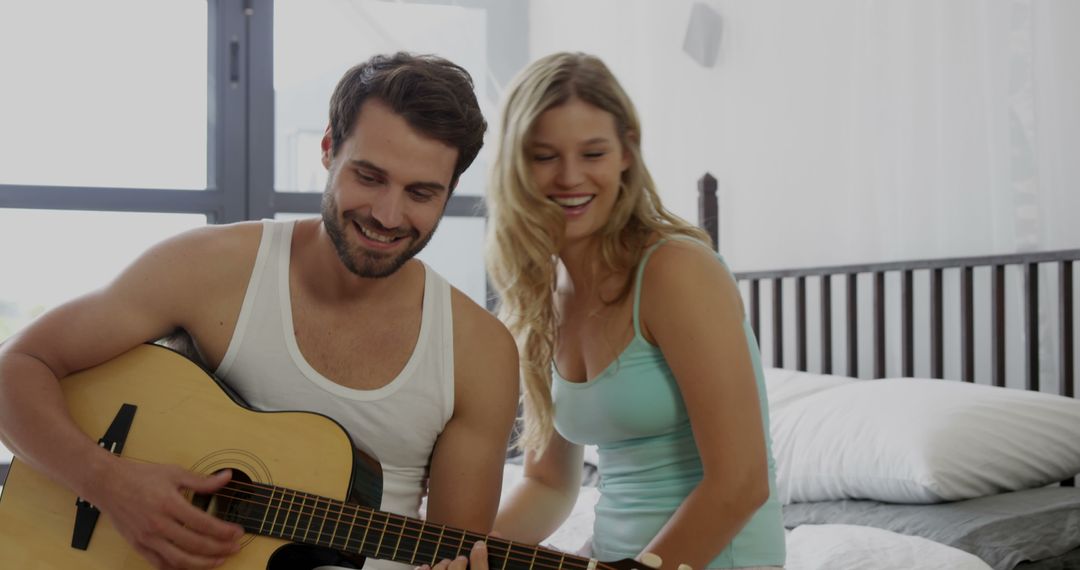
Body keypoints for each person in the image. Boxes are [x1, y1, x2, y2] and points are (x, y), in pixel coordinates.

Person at [0, 52, 517, 570]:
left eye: (421, 193)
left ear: (449, 193)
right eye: (369, 176)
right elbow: (16, 369)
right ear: (327, 149)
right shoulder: (212, 267)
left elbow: (454, 551)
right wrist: (108, 483)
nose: (387, 214)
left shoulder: (479, 353)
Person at [484, 52, 786, 570]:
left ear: (627, 152)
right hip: (614, 558)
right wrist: (462, 554)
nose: (570, 177)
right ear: (516, 164)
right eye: (544, 156)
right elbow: (548, 483)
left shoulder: (676, 270)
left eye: (593, 153)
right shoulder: (542, 295)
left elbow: (741, 484)